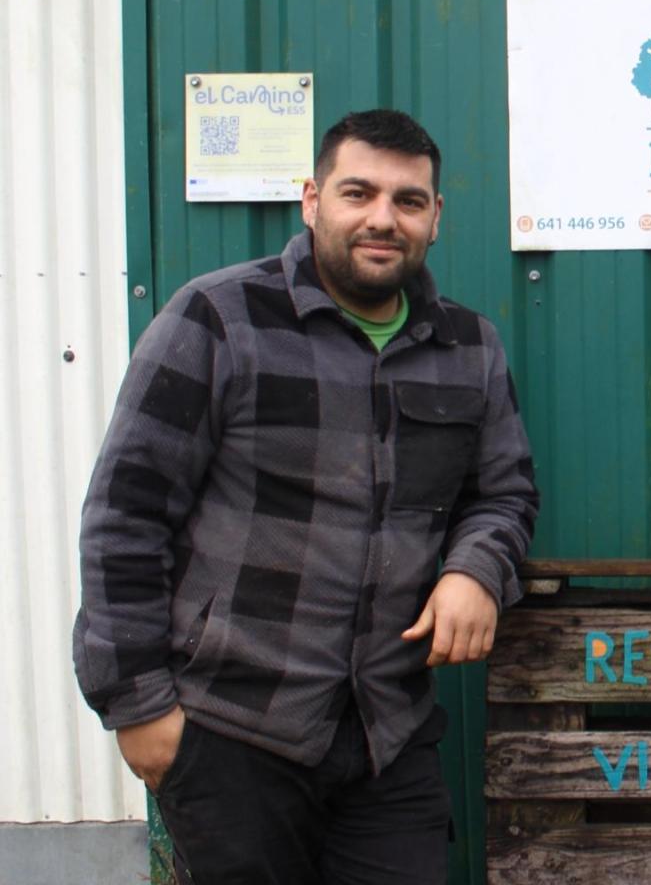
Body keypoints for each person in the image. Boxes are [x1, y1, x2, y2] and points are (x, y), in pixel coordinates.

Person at [72, 109, 539, 884]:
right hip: (232, 732)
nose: (382, 218)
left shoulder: (470, 349)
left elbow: (504, 493)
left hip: (388, 733)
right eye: (358, 193)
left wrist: (476, 570)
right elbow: (125, 514)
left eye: (408, 200)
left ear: (436, 217)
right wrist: (138, 706)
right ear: (312, 199)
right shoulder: (219, 319)